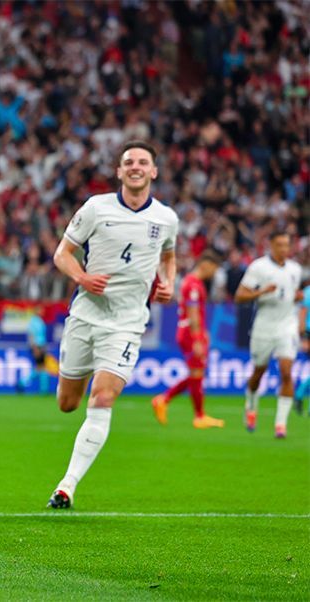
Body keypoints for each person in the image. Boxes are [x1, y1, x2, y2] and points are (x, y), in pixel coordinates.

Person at [47, 141, 178, 509]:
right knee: (67, 404)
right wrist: (83, 279)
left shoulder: (166, 219)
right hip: (85, 316)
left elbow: (169, 257)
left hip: (127, 323)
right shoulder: (96, 208)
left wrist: (169, 282)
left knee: (103, 397)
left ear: (153, 171)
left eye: (143, 162)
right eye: (128, 162)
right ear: (119, 172)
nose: (135, 167)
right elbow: (62, 254)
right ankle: (85, 375)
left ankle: (66, 486)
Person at [234, 231, 303, 438]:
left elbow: (291, 297)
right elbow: (240, 296)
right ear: (270, 245)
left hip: (287, 326)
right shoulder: (258, 267)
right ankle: (251, 407)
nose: (283, 249)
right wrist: (261, 292)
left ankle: (280, 425)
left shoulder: (295, 269)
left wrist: (296, 298)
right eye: (279, 244)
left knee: (286, 372)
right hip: (264, 326)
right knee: (258, 373)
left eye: (286, 245)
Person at [151, 250, 225, 428]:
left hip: (189, 332)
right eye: (213, 269)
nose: (214, 274)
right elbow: (192, 314)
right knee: (197, 373)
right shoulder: (193, 284)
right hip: (190, 334)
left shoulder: (191, 282)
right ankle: (198, 416)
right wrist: (198, 337)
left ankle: (164, 400)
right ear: (206, 265)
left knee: (196, 374)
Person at [24, 308, 50, 394]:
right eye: (39, 309)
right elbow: (31, 336)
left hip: (41, 346)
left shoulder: (39, 321)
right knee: (41, 367)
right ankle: (23, 382)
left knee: (41, 367)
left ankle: (43, 389)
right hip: (37, 347)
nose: (42, 311)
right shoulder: (33, 322)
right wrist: (35, 348)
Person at [294, 280, 310, 415]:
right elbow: (303, 312)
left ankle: (299, 395)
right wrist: (304, 336)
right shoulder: (308, 292)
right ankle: (299, 394)